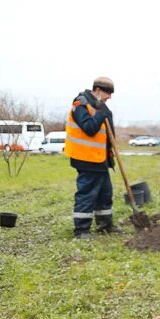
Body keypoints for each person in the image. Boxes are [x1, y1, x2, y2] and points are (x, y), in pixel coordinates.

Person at [66, 76, 117, 239]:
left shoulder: (99, 107)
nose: (110, 97)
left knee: (105, 193)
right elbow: (89, 128)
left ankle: (105, 225)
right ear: (97, 90)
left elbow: (107, 135)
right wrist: (102, 114)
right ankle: (81, 230)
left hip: (100, 159)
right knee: (87, 194)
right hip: (86, 159)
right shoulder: (80, 104)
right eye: (108, 93)